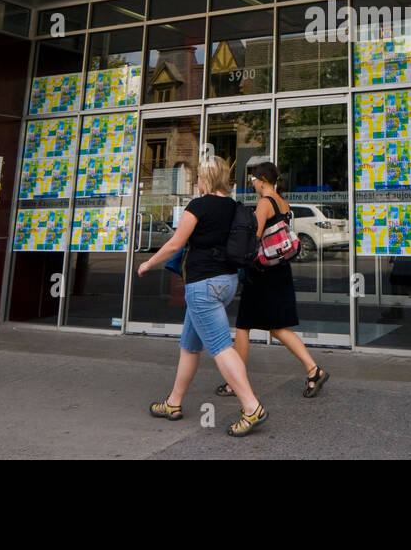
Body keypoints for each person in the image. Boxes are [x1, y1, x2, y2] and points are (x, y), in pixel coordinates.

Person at [137, 155, 267, 437]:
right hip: (227, 282)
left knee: (220, 347)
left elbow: (174, 244)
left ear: (206, 178)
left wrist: (148, 263)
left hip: (202, 286)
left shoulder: (199, 205)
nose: (196, 182)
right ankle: (174, 402)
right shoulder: (234, 207)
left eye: (198, 177)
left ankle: (251, 405)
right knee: (190, 344)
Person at [217, 161, 330, 398]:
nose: (253, 184)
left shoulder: (265, 203)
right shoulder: (283, 203)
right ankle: (313, 370)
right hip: (280, 270)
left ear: (262, 180)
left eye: (253, 180)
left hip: (262, 272)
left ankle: (234, 382)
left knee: (243, 326)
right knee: (277, 328)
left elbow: (253, 238)